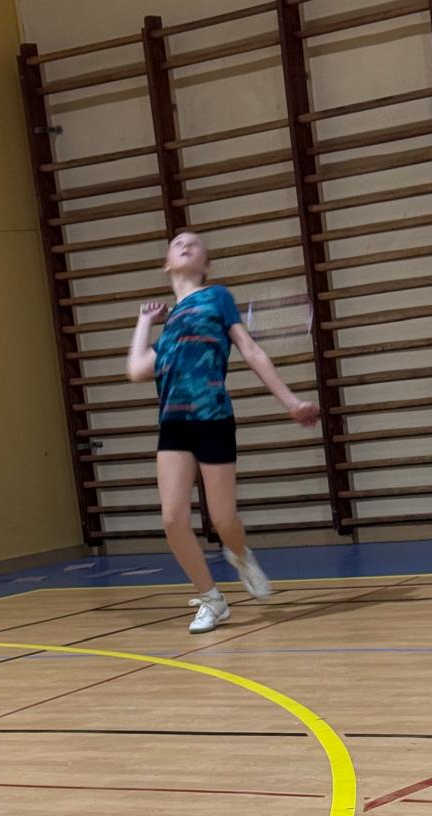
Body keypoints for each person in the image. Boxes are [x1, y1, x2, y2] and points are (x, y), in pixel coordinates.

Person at [126, 231, 320, 633]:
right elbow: (137, 370)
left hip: (213, 418)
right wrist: (144, 321)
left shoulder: (217, 298)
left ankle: (239, 553)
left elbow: (251, 350)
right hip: (173, 425)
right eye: (178, 243)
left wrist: (291, 402)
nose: (186, 245)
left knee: (223, 519)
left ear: (205, 264)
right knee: (172, 518)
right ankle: (212, 599)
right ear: (167, 264)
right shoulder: (171, 326)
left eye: (195, 243)